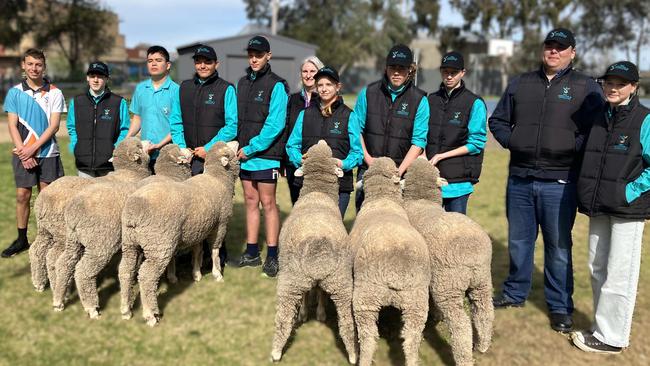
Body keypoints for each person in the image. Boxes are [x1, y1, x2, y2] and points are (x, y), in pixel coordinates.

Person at [488, 28, 605, 332]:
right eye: (550, 46)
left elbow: (595, 130)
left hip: (560, 182)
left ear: (572, 52)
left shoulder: (586, 87)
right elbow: (497, 120)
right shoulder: (521, 84)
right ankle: (514, 294)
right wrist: (514, 140)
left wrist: (570, 147)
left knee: (558, 247)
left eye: (561, 47)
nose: (554, 51)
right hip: (521, 179)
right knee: (519, 242)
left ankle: (560, 306)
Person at [570, 61, 649, 354]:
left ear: (634, 87)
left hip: (627, 208)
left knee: (619, 271)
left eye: (621, 83)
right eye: (609, 82)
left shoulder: (645, 119)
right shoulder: (599, 117)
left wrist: (628, 192)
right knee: (597, 266)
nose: (613, 88)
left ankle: (613, 337)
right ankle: (602, 326)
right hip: (599, 204)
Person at [232, 36, 288, 278]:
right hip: (244, 154)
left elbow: (275, 124)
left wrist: (252, 147)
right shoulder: (242, 83)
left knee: (268, 203)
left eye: (259, 54)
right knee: (250, 201)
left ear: (269, 56)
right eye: (251, 54)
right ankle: (252, 252)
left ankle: (273, 256)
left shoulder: (277, 85)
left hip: (265, 154)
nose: (254, 58)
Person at [177, 44, 238, 267]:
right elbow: (176, 120)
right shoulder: (183, 88)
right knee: (192, 210)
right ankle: (193, 256)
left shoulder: (226, 89)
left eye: (207, 61)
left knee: (217, 211)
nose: (202, 65)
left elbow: (231, 125)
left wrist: (208, 148)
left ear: (216, 64)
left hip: (213, 162)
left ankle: (218, 255)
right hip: (189, 158)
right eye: (199, 61)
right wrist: (183, 147)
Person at [2, 48, 66, 258]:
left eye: (38, 64)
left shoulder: (55, 92)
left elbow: (54, 126)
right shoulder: (14, 92)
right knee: (22, 195)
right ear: (23, 65)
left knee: (46, 198)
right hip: (23, 153)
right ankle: (22, 240)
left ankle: (46, 239)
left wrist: (32, 149)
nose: (34, 68)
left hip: (47, 153)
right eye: (30, 64)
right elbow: (12, 125)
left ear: (44, 66)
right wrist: (24, 152)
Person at [353, 44, 429, 211]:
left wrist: (398, 172)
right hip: (369, 169)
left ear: (410, 70)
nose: (396, 72)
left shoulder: (420, 100)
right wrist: (369, 160)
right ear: (386, 68)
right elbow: (355, 130)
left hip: (401, 173)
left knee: (397, 226)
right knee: (365, 224)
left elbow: (418, 142)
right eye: (392, 67)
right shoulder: (368, 93)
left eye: (401, 68)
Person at [286, 66, 363, 216]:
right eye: (320, 85)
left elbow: (357, 152)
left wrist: (343, 164)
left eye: (328, 84)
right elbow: (291, 146)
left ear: (337, 87)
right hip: (309, 184)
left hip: (338, 186)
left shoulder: (349, 116)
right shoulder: (305, 114)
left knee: (332, 231)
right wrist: (300, 160)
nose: (324, 89)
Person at [425, 51, 487, 214]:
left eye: (454, 72)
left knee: (456, 235)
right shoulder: (431, 100)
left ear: (462, 73)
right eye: (446, 72)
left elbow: (476, 144)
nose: (449, 76)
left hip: (458, 184)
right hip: (431, 181)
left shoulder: (474, 103)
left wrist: (442, 156)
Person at [66, 61, 130, 178]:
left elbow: (125, 129)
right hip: (84, 165)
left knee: (108, 196)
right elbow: (72, 127)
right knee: (85, 196)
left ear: (107, 79)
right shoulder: (76, 102)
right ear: (87, 78)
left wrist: (115, 149)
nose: (96, 80)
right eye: (92, 76)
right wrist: (76, 146)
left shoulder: (119, 102)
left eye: (100, 76)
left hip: (109, 165)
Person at [128, 45, 183, 172]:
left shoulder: (177, 91)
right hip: (145, 154)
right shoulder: (141, 89)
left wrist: (159, 145)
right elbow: (137, 118)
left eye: (158, 60)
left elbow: (179, 125)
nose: (154, 64)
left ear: (168, 65)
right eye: (150, 61)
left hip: (167, 154)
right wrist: (127, 138)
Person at [285, 56, 324, 205]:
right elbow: (286, 129)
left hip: (317, 163)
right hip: (294, 163)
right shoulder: (292, 100)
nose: (308, 75)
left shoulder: (326, 100)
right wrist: (285, 160)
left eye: (313, 71)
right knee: (298, 205)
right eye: (305, 71)